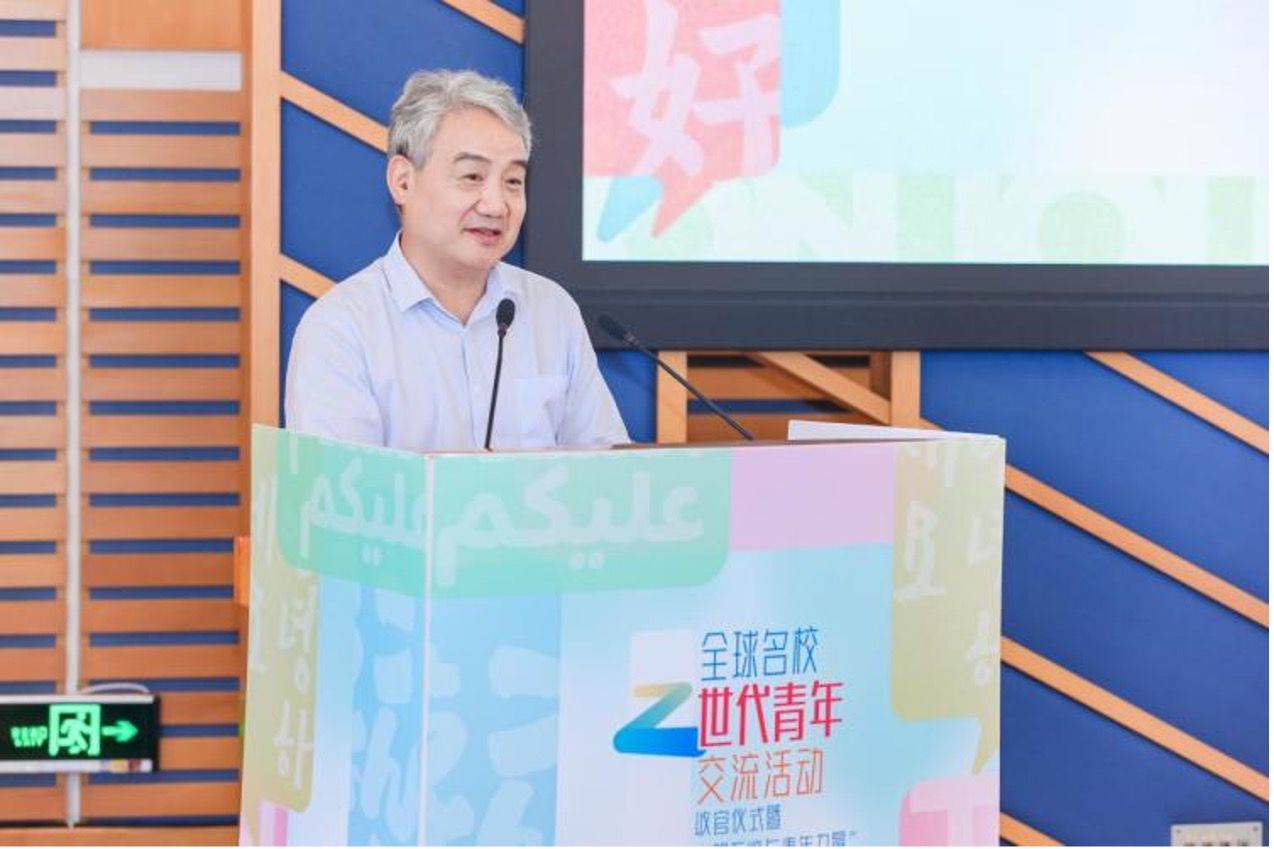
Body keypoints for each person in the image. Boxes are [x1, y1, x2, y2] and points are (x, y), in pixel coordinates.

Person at [284, 69, 629, 452]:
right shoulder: (342, 330)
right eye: (472, 176)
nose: (496, 205)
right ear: (403, 181)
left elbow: (608, 473)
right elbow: (344, 487)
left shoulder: (551, 311)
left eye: (513, 181)